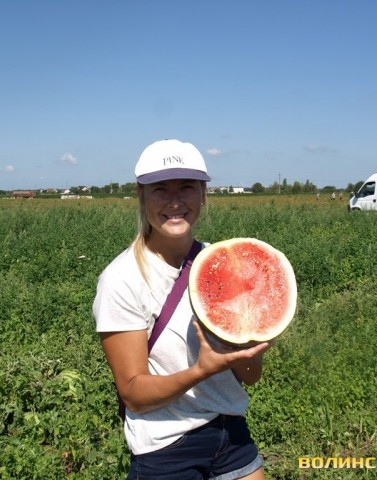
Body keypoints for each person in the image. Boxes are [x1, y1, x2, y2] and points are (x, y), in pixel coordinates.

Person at [93, 139, 271, 479]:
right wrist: (201, 370)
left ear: (204, 193)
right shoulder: (121, 280)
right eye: (160, 189)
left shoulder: (223, 265)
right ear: (141, 194)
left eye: (187, 187)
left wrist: (254, 344)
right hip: (165, 447)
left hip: (230, 432)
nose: (175, 201)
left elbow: (251, 377)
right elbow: (133, 394)